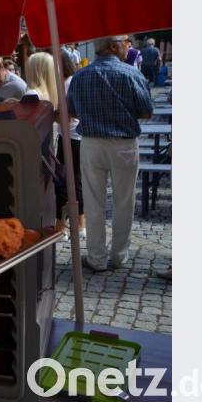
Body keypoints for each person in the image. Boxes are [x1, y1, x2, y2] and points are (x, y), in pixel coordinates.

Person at [69, 35, 153, 272]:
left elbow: (72, 110)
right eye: (127, 42)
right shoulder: (130, 73)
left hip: (91, 143)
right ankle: (119, 256)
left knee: (93, 201)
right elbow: (147, 111)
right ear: (114, 46)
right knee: (123, 201)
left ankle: (96, 258)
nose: (130, 46)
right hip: (123, 144)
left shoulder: (80, 75)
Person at [55, 52, 85, 238]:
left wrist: (51, 114)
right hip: (73, 137)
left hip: (71, 138)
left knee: (66, 181)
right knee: (73, 180)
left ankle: (65, 225)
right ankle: (79, 223)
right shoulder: (72, 81)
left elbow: (69, 115)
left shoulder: (67, 84)